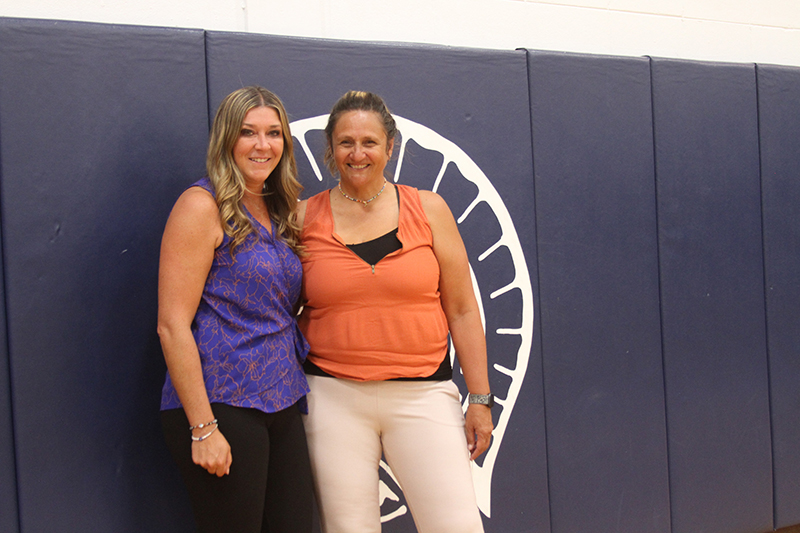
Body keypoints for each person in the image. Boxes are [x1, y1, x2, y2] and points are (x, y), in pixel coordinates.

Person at [296, 90, 493, 533]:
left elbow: (462, 309)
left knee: (457, 525)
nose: (357, 152)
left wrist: (479, 399)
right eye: (346, 142)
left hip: (423, 394)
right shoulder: (302, 217)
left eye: (369, 141)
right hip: (332, 398)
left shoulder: (430, 208)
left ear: (390, 146)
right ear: (331, 150)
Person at [157, 86, 312, 533]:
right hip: (222, 402)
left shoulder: (280, 208)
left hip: (282, 396)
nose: (263, 145)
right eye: (248, 133)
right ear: (227, 139)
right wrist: (203, 428)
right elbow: (172, 326)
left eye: (273, 133)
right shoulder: (200, 206)